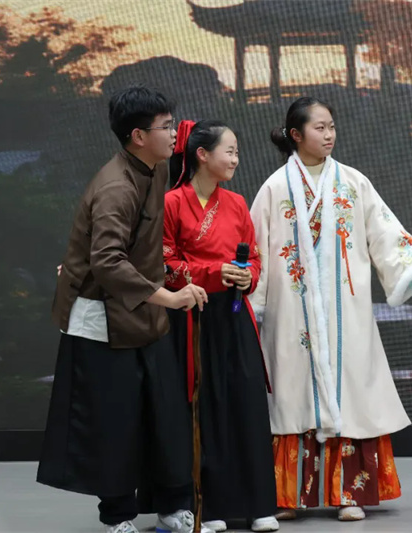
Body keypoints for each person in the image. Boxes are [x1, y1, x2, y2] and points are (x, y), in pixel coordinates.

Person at [248, 96, 412, 522]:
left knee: (350, 390)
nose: (329, 135)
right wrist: (249, 304)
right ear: (296, 135)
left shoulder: (352, 182)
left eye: (332, 126)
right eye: (319, 128)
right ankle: (287, 496)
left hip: (346, 313)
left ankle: (348, 493)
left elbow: (386, 235)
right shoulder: (275, 189)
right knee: (291, 394)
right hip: (292, 315)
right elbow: (255, 251)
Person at [37, 86, 212, 533]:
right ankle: (117, 516)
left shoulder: (156, 164)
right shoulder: (116, 186)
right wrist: (171, 297)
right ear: (138, 136)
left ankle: (172, 507)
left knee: (163, 415)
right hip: (103, 321)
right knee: (114, 423)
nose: (173, 134)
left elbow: (190, 139)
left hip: (143, 313)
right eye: (165, 127)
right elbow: (108, 262)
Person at [163, 120, 279, 532]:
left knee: (247, 401)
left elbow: (255, 258)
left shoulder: (236, 202)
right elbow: (165, 264)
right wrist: (214, 272)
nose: (235, 159)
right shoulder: (172, 203)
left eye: (236, 152)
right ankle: (208, 505)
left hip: (234, 314)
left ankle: (259, 504)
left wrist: (249, 276)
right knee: (205, 405)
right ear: (202, 154)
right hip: (193, 316)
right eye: (229, 151)